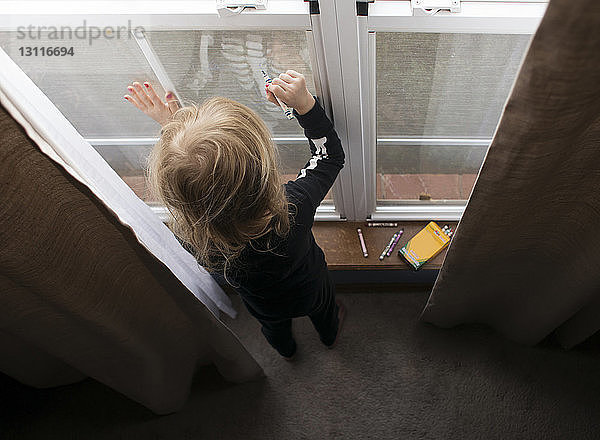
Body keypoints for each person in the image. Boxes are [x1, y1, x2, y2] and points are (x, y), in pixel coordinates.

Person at [124, 70, 346, 359]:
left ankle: (286, 350)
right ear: (263, 170)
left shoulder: (193, 239)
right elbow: (329, 156)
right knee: (324, 309)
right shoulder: (294, 207)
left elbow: (195, 183)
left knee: (273, 327)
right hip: (310, 287)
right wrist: (305, 105)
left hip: (262, 303)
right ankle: (329, 335)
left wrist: (175, 131)